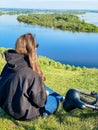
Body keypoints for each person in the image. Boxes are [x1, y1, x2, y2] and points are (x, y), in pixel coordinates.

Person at [0, 33, 63, 121]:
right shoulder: (32, 74)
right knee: (55, 99)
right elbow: (40, 102)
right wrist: (45, 95)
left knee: (46, 88)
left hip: (6, 106)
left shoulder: (10, 64)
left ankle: (58, 96)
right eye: (36, 46)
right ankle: (59, 98)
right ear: (32, 49)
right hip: (24, 113)